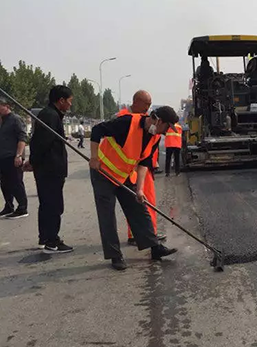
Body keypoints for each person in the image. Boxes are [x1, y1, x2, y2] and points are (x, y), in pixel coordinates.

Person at [89, 106, 179, 271]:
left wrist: (139, 189)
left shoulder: (154, 137)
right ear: (158, 121)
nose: (166, 132)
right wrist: (94, 157)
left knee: (139, 209)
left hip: (124, 176)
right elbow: (96, 130)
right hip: (103, 173)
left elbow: (145, 162)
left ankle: (155, 248)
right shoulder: (127, 123)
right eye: (166, 127)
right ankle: (115, 255)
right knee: (107, 216)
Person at [114, 90, 165, 245]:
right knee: (137, 203)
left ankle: (150, 234)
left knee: (148, 200)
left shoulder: (146, 120)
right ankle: (137, 235)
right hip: (130, 168)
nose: (148, 108)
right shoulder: (123, 118)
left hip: (144, 166)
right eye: (146, 105)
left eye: (149, 105)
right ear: (136, 102)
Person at [28, 85, 74, 253]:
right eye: (69, 102)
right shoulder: (50, 116)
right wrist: (33, 161)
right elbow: (41, 143)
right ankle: (52, 242)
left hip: (48, 169)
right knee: (53, 205)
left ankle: (45, 237)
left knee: (47, 204)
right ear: (60, 100)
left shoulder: (52, 114)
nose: (70, 105)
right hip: (50, 170)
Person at [0, 97, 29, 219]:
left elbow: (22, 138)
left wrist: (19, 155)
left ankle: (22, 208)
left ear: (7, 106)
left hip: (13, 156)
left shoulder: (15, 119)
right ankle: (9, 206)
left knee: (16, 182)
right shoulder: (2, 121)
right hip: (2, 157)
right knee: (4, 183)